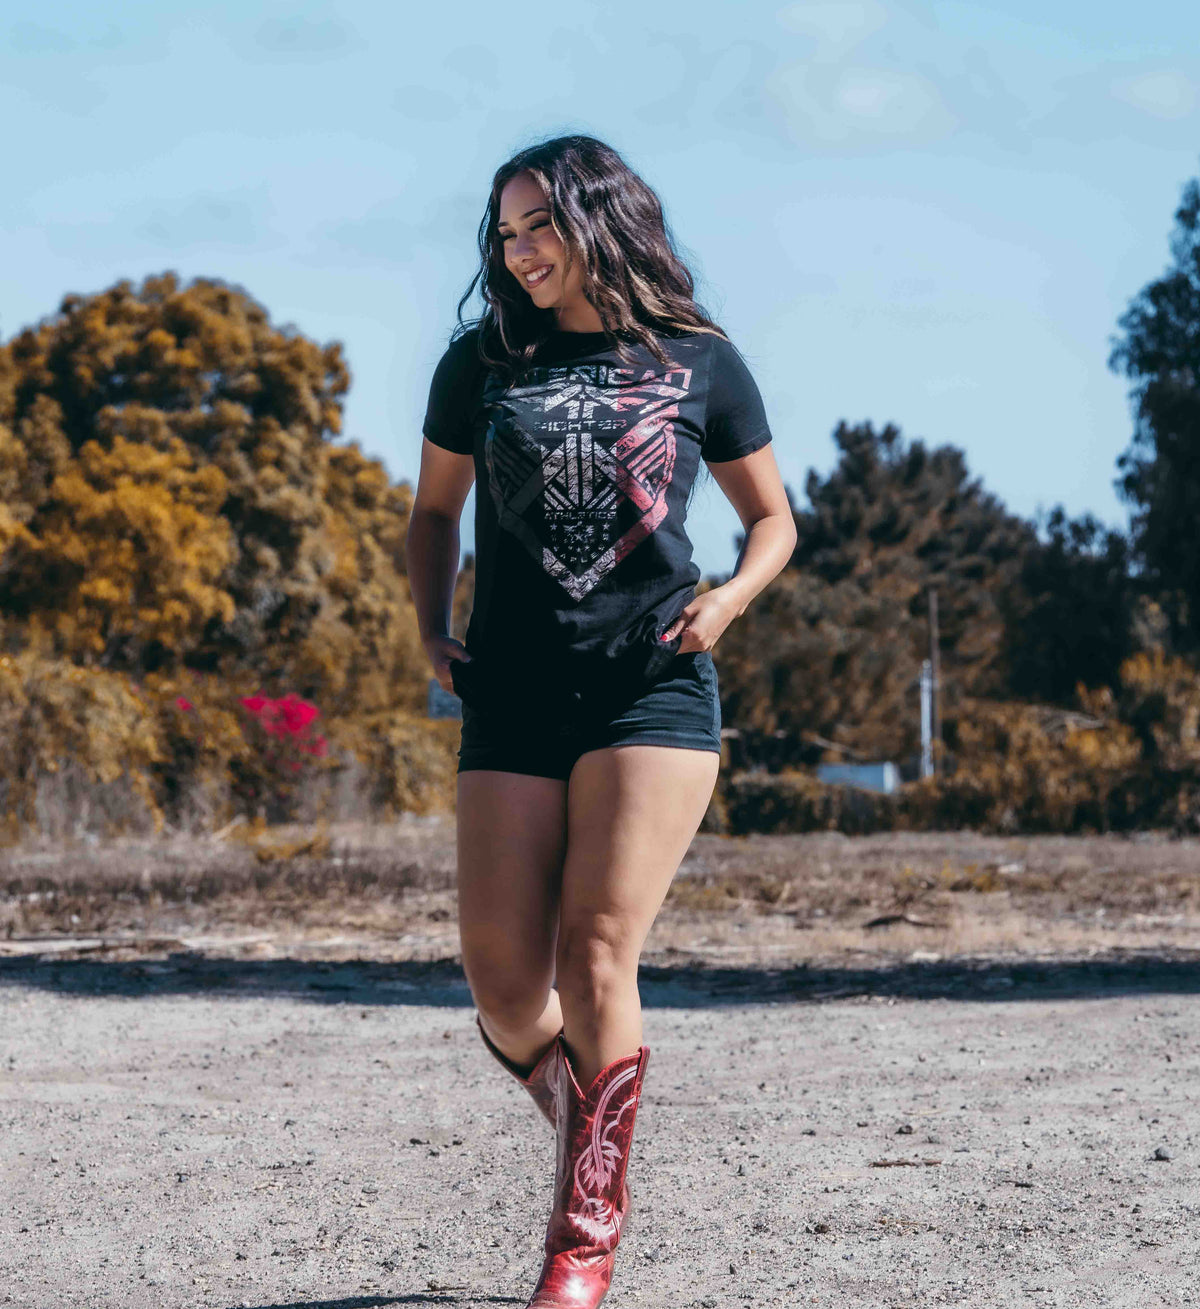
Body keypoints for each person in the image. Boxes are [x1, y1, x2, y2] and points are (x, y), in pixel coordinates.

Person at [406, 134, 797, 1308]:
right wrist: (432, 625)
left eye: (540, 227)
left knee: (596, 951)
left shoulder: (701, 360)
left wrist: (729, 596)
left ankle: (582, 1241)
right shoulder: (478, 364)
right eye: (505, 232)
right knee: (503, 983)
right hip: (513, 689)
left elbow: (773, 519)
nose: (519, 253)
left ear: (601, 222)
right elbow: (433, 515)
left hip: (653, 688)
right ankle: (583, 1106)